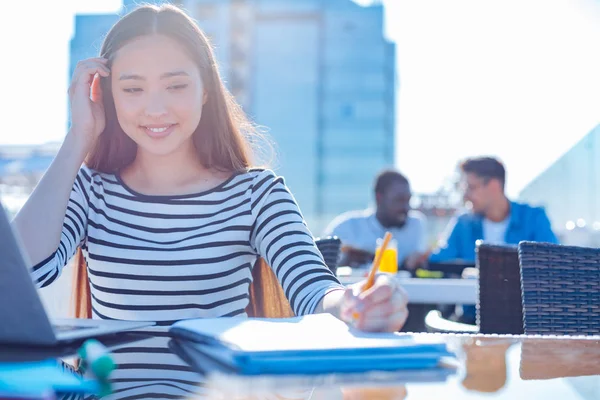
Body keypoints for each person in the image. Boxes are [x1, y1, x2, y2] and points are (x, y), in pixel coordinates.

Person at [12, 5, 407, 335]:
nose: (155, 108)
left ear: (206, 91)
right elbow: (21, 275)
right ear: (109, 97)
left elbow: (314, 290)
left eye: (176, 86)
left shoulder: (257, 194)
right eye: (132, 89)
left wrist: (356, 303)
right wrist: (79, 136)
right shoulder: (90, 191)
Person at [429, 156, 558, 263]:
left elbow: (553, 261)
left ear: (494, 186)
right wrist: (419, 258)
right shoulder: (463, 223)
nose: (466, 196)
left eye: (471, 187)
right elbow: (439, 259)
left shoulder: (534, 218)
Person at [324, 169, 427, 271]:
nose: (406, 208)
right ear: (379, 198)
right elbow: (322, 267)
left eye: (408, 200)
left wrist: (410, 265)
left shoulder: (416, 225)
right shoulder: (346, 227)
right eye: (399, 200)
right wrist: (346, 261)